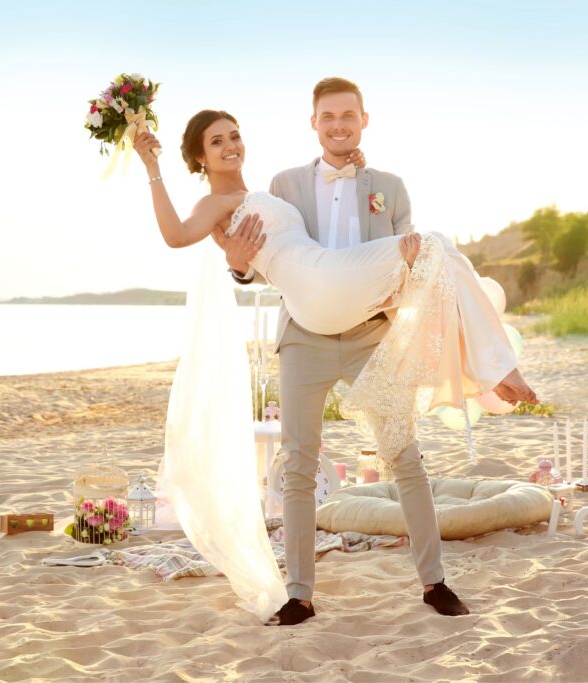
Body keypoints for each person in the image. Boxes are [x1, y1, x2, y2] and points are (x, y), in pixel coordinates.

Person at [135, 80, 537, 626]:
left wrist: (401, 250)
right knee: (298, 463)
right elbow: (227, 257)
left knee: (405, 455)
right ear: (314, 122)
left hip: (366, 326)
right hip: (309, 324)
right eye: (217, 141)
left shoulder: (385, 188)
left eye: (235, 136)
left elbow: (392, 270)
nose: (231, 145)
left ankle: (435, 583)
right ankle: (299, 594)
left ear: (362, 120)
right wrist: (222, 246)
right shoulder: (282, 185)